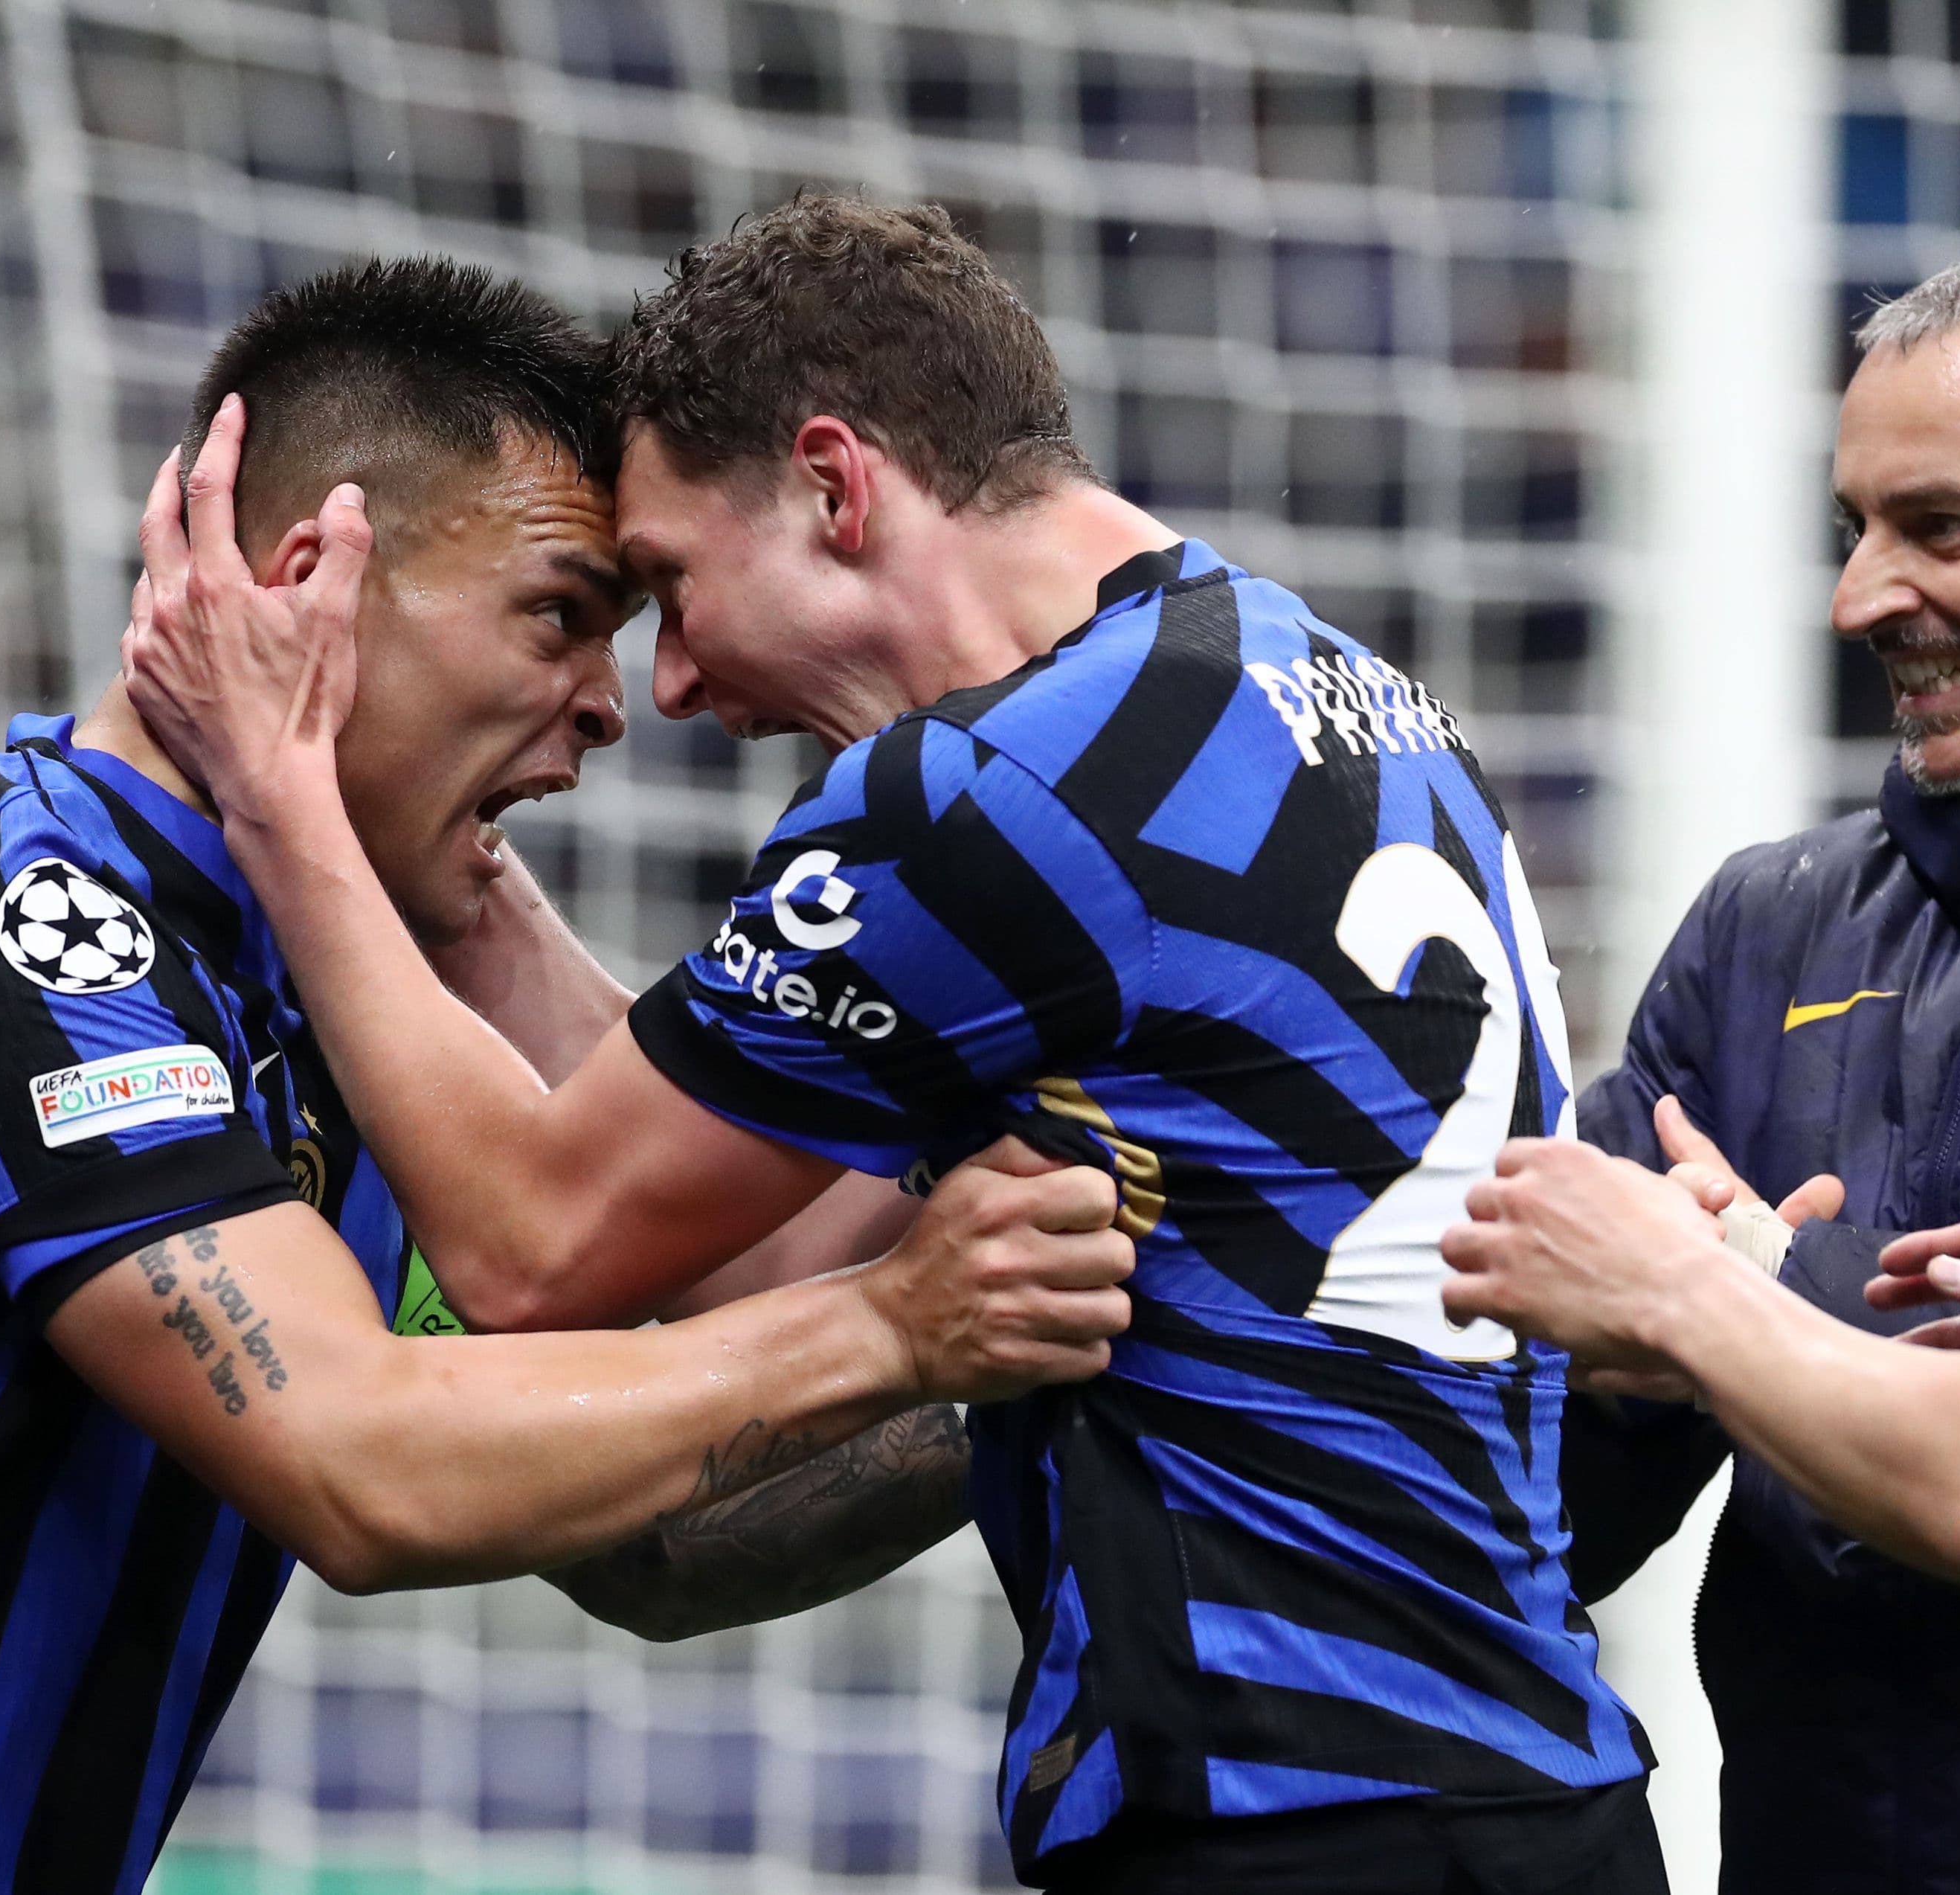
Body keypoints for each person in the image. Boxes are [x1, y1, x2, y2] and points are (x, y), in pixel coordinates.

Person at [0, 258, 1134, 1895]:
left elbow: (663, 1541)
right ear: (305, 574)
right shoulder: (18, 929)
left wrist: (1082, 1334)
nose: (616, 706)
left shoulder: (344, 1011)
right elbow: (357, 1459)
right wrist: (893, 1326)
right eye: (560, 613)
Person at [125, 195, 1662, 1894]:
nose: (682, 681)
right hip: (1538, 1787)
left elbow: (532, 1246)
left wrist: (285, 797)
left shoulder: (993, 792)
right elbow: (742, 1231)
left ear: (837, 485)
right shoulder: (1342, 696)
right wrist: (463, 893)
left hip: (1289, 1811)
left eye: (675, 586)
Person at [1440, 90, 1960, 1895]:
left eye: (1945, 526)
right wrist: (1625, 1369)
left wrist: (1719, 1294)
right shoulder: (1777, 928)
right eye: (1855, 523)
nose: (1858, 596)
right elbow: (1535, 1523)